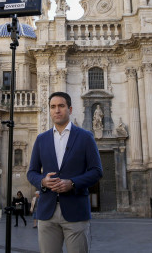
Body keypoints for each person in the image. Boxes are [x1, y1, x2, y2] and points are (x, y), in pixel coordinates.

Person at [27, 92, 103, 253]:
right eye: (53, 107)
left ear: (70, 109)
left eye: (61, 106)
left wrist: (73, 183)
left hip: (76, 211)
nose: (57, 110)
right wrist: (42, 181)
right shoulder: (41, 139)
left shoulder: (85, 137)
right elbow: (32, 172)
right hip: (47, 212)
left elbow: (97, 171)